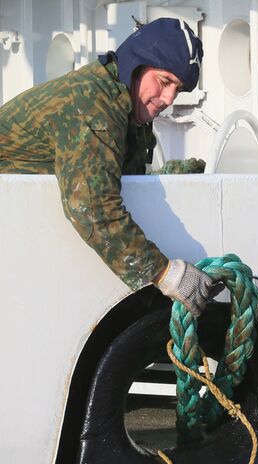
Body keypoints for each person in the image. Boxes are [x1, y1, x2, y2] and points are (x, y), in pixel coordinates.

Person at [0, 17, 222, 317]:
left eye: (178, 89)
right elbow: (92, 206)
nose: (168, 99)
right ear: (137, 66)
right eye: (164, 81)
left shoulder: (124, 103)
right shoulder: (92, 105)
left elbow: (117, 176)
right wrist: (166, 274)